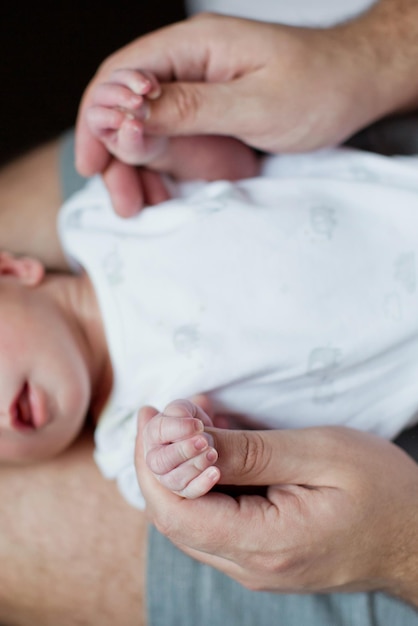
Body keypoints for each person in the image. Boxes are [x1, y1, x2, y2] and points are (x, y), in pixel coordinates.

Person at [1, 1, 418, 624]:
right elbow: (228, 457)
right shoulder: (127, 442)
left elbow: (231, 172)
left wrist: (155, 137)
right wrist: (191, 452)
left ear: (14, 271)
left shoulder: (100, 220)